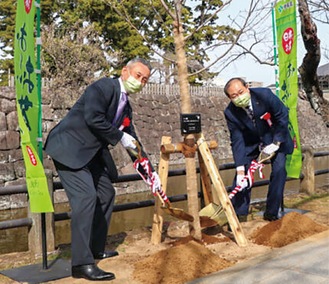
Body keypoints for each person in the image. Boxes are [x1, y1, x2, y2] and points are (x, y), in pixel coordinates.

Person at [44, 58, 161, 281]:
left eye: (144, 80)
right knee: (86, 198)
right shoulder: (104, 87)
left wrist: (151, 174)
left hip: (91, 153)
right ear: (125, 71)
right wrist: (119, 136)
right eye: (138, 76)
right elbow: (93, 118)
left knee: (107, 194)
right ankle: (81, 264)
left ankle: (95, 248)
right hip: (69, 148)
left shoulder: (126, 105)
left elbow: (132, 141)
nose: (140, 82)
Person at [223, 77, 294, 223]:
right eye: (233, 96)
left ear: (247, 87)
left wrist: (276, 142)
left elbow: (282, 116)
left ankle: (271, 212)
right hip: (252, 143)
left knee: (279, 169)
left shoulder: (264, 95)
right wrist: (241, 169)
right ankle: (239, 215)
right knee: (241, 178)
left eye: (240, 92)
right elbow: (237, 139)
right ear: (230, 98)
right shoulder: (230, 112)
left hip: (275, 137)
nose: (238, 97)